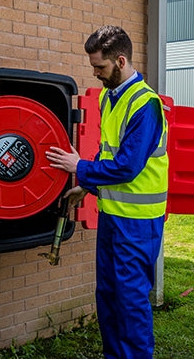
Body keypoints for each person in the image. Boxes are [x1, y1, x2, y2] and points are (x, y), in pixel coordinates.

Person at [46, 25, 169, 358]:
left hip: (138, 223)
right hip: (113, 218)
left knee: (130, 302)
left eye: (100, 67)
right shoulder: (110, 97)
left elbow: (128, 166)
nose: (96, 74)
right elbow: (108, 153)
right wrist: (85, 186)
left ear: (121, 60)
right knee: (109, 296)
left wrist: (79, 167)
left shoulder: (145, 105)